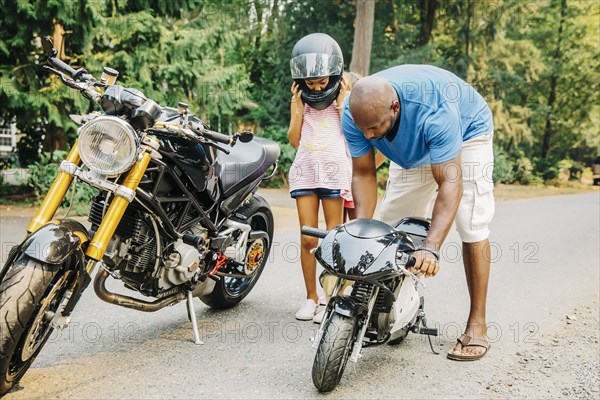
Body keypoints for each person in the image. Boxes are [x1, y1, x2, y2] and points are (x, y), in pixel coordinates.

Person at [341, 65, 495, 361]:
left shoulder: (435, 110)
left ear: (394, 107)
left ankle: (477, 323)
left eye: (374, 128)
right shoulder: (356, 114)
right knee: (387, 226)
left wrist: (431, 248)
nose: (368, 135)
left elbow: (450, 182)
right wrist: (360, 230)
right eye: (364, 129)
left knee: (470, 223)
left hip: (466, 131)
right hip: (411, 146)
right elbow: (363, 173)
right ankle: (391, 308)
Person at [287, 33, 353, 321]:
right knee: (307, 238)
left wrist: (344, 101)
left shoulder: (342, 101)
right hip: (305, 172)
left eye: (322, 82)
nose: (316, 87)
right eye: (310, 83)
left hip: (335, 172)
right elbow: (293, 140)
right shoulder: (301, 101)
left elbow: (351, 135)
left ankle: (332, 296)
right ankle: (311, 297)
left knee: (333, 237)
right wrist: (298, 108)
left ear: (335, 75)